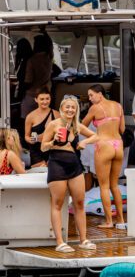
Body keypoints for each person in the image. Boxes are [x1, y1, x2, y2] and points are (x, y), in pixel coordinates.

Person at [41, 96, 99, 253]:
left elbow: (96, 136)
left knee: (79, 203)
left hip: (74, 165)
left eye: (73, 107)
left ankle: (83, 240)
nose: (70, 110)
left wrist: (84, 143)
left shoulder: (76, 126)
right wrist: (54, 141)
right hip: (57, 164)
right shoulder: (53, 124)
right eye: (67, 107)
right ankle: (60, 242)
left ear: (76, 110)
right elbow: (43, 147)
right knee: (58, 204)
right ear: (61, 108)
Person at [82, 85, 125, 229]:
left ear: (100, 94)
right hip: (118, 145)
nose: (90, 98)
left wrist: (95, 136)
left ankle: (109, 221)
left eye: (91, 95)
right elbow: (122, 129)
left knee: (104, 186)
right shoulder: (118, 106)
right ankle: (121, 220)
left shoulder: (95, 108)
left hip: (103, 145)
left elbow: (82, 126)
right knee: (115, 185)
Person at [22, 34, 55, 120]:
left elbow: (28, 80)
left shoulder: (32, 60)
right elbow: (50, 45)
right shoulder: (49, 57)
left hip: (32, 94)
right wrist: (45, 32)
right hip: (46, 92)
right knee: (43, 118)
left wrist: (22, 90)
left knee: (26, 118)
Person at [24, 88, 59, 168]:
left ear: (50, 99)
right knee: (39, 174)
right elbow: (26, 136)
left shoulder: (56, 114)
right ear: (36, 100)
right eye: (42, 99)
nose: (45, 101)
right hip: (36, 151)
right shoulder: (30, 116)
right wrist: (30, 140)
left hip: (52, 149)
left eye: (47, 98)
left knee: (52, 174)